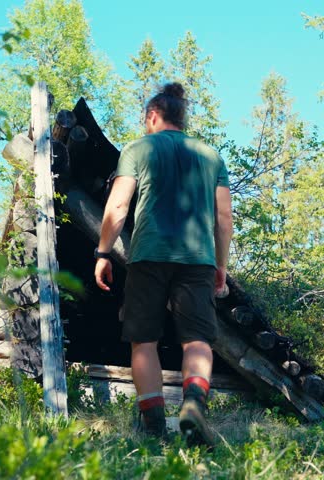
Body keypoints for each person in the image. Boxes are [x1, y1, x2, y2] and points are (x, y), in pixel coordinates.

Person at [94, 82, 233, 444]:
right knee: (198, 339)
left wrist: (103, 252)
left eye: (145, 119)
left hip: (149, 256)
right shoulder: (211, 155)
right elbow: (224, 219)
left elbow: (119, 206)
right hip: (197, 259)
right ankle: (192, 407)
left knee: (143, 340)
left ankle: (154, 425)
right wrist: (220, 265)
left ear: (153, 116)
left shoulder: (138, 149)